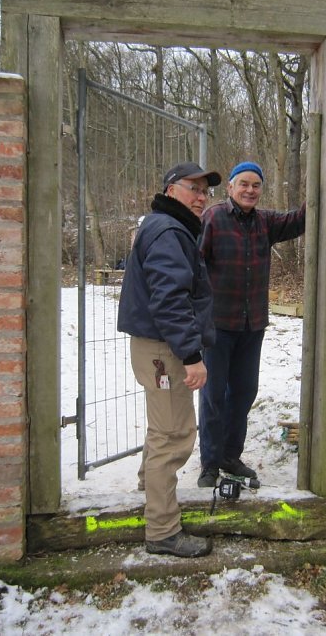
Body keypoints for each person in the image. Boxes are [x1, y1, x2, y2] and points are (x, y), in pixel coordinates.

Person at [117, 161, 220, 557]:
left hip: (158, 345)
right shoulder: (168, 231)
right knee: (174, 434)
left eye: (205, 191)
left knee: (162, 427)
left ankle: (150, 492)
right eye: (192, 188)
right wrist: (191, 355)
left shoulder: (165, 226)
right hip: (165, 348)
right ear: (171, 190)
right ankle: (162, 530)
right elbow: (170, 299)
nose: (200, 197)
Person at [197, 161, 306, 488]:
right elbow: (195, 267)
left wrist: (322, 184)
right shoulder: (213, 218)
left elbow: (299, 220)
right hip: (217, 325)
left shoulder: (265, 222)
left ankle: (231, 456)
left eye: (255, 185)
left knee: (243, 392)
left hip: (252, 325)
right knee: (213, 395)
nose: (249, 190)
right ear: (230, 187)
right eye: (243, 184)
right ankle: (210, 464)